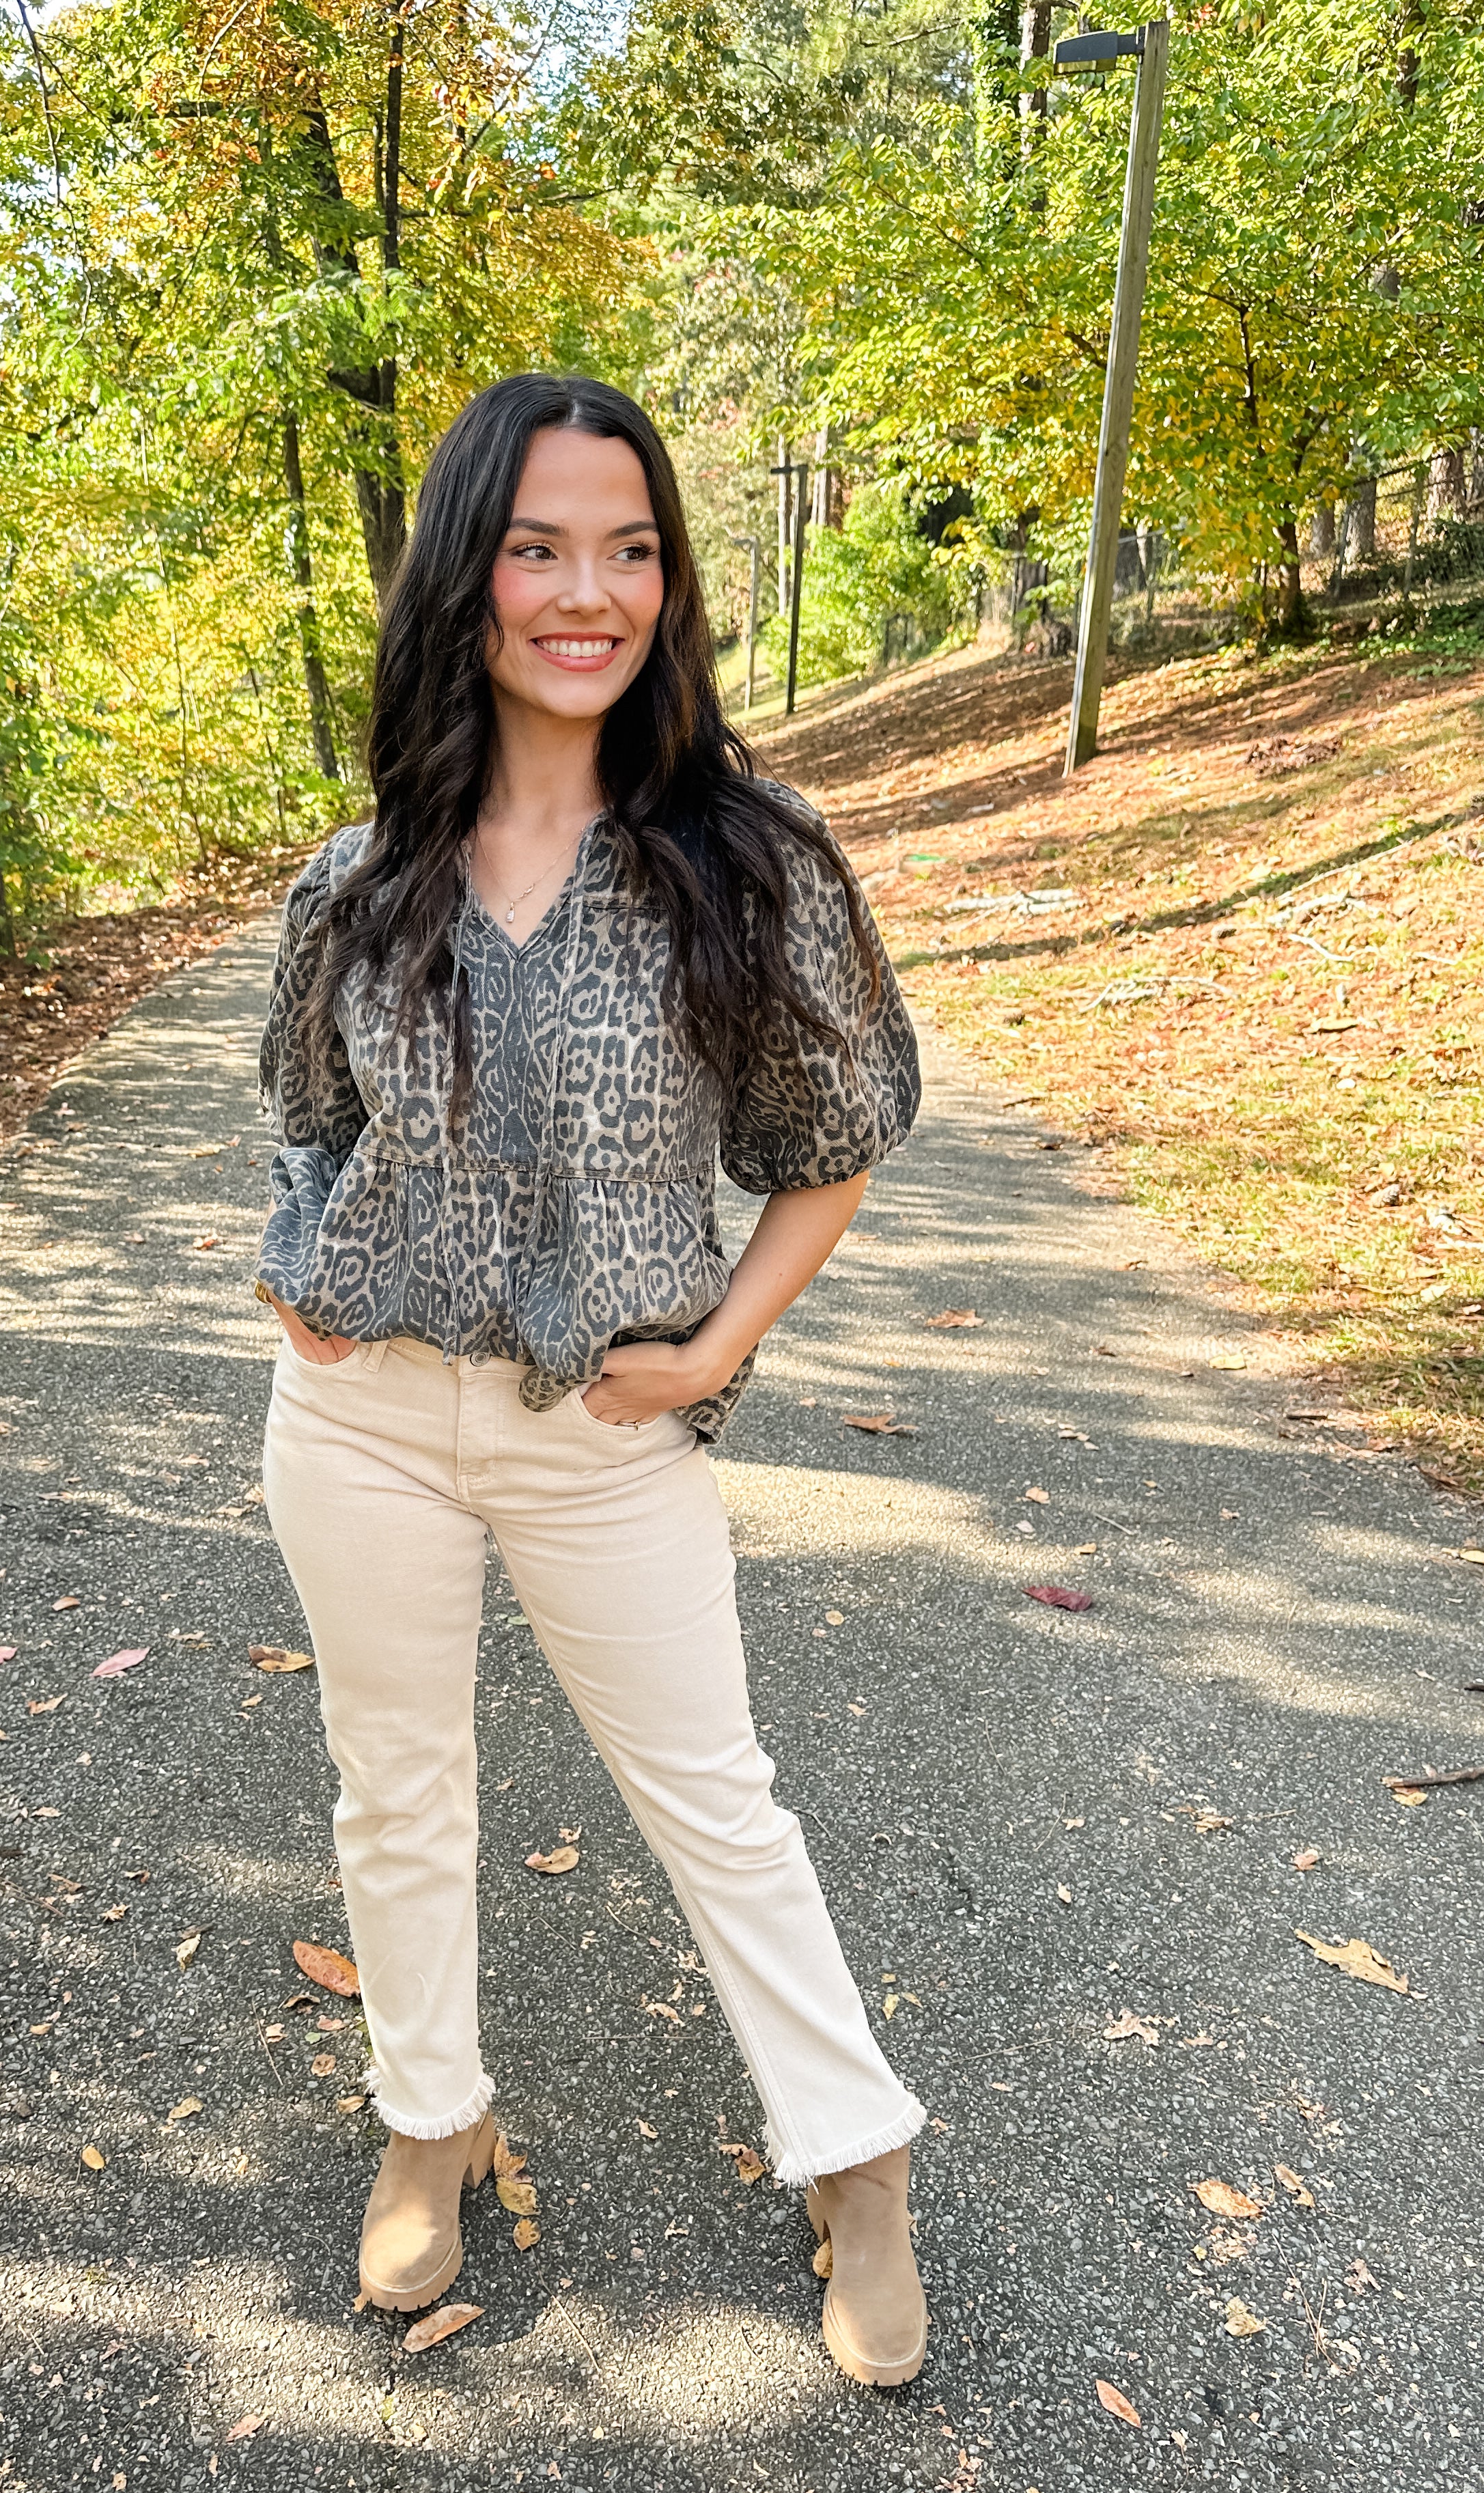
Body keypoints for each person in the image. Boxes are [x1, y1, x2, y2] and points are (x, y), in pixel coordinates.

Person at [253, 372, 927, 2386]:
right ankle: (427, 2121)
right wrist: (305, 1265)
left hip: (599, 1432)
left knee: (716, 1802)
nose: (589, 592)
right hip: (360, 1419)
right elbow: (304, 1114)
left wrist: (722, 1343)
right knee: (401, 1792)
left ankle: (857, 2158)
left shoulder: (747, 853)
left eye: (629, 551)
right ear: (466, 577)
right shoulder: (366, 866)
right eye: (540, 547)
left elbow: (835, 1135)